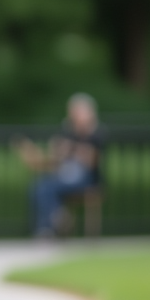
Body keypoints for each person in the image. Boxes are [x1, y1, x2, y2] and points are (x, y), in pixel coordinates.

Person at [17, 93, 103, 237]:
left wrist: (71, 149)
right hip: (64, 174)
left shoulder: (96, 134)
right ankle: (50, 223)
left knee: (49, 187)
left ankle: (54, 221)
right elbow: (56, 152)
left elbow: (92, 161)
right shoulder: (67, 131)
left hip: (86, 178)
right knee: (41, 187)